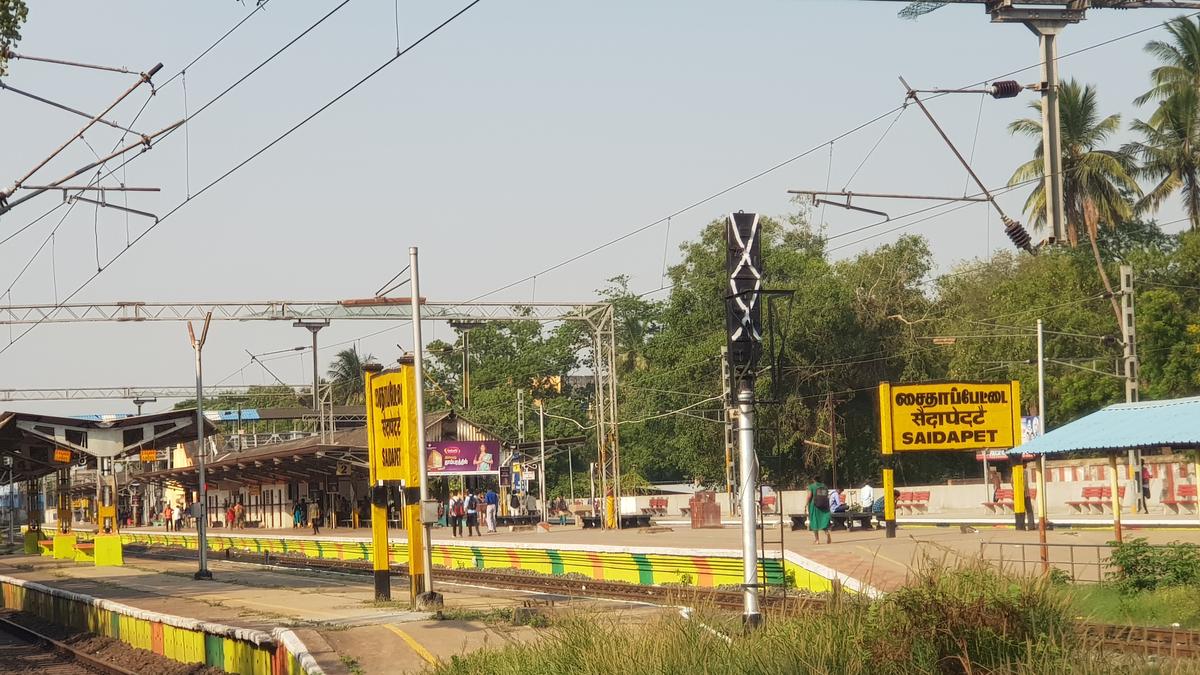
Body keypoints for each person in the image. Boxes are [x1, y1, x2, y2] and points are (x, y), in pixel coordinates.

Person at [807, 478, 832, 544]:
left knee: (814, 521)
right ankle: (827, 534)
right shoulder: (824, 486)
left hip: (814, 506)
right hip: (824, 506)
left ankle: (817, 540)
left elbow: (809, 496)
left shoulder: (811, 486)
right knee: (823, 521)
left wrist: (806, 504)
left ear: (814, 480)